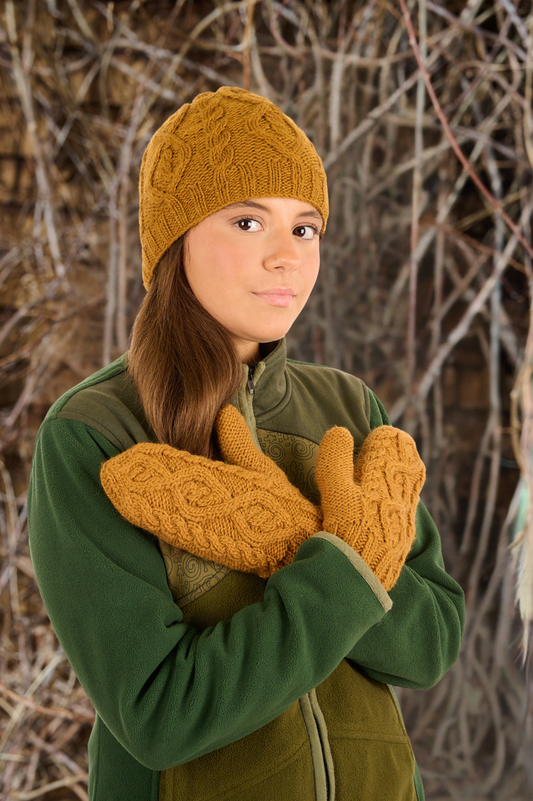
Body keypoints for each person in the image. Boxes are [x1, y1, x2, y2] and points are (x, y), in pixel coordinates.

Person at [27, 86, 464, 801]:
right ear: (175, 236)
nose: (285, 256)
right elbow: (158, 713)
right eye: (247, 220)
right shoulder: (95, 432)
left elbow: (430, 645)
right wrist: (336, 566)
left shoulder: (348, 408)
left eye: (304, 228)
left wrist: (292, 536)